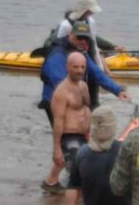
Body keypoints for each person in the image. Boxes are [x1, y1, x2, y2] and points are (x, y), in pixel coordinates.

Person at [40, 21, 129, 195]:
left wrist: (117, 90)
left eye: (86, 39)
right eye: (79, 38)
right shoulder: (58, 55)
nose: (83, 42)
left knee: (77, 140)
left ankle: (51, 181)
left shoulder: (81, 54)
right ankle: (76, 182)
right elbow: (60, 83)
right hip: (56, 102)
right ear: (70, 35)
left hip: (74, 104)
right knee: (69, 143)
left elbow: (97, 73)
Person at [51, 51, 92, 205]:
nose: (79, 70)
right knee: (74, 178)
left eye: (82, 67)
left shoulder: (83, 85)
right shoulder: (62, 91)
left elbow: (87, 110)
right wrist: (57, 148)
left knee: (86, 176)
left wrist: (92, 133)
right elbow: (58, 120)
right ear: (67, 67)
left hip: (85, 136)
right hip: (69, 137)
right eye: (75, 67)